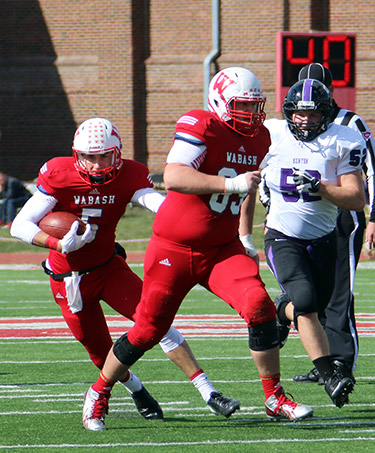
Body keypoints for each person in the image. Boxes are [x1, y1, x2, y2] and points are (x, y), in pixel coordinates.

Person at [82, 67, 314, 431]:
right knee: (147, 330)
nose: (251, 115)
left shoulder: (261, 137)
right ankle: (99, 392)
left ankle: (274, 397)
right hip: (174, 248)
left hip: (222, 247)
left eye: (255, 107)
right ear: (220, 103)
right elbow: (173, 175)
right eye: (241, 106)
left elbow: (246, 189)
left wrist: (246, 237)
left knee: (260, 306)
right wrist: (229, 182)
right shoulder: (200, 124)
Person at [11, 117, 241, 431]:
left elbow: (158, 204)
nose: (95, 164)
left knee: (158, 324)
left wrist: (193, 214)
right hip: (69, 280)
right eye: (88, 156)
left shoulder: (130, 174)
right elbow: (20, 225)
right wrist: (57, 243)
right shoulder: (60, 174)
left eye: (103, 155)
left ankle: (209, 392)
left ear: (117, 153)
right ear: (76, 154)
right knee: (101, 354)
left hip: (108, 269)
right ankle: (137, 389)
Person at [260, 78, 366, 408]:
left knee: (316, 309)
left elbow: (355, 197)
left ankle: (279, 311)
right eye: (299, 113)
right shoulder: (271, 133)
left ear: (327, 113)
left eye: (314, 114)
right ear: (288, 112)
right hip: (281, 235)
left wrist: (322, 188)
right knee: (305, 302)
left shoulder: (343, 138)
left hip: (323, 239)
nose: (305, 120)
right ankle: (330, 375)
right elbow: (244, 173)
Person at [288, 63, 375, 385]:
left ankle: (342, 363)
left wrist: (374, 217)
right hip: (305, 218)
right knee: (314, 291)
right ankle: (323, 359)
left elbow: (372, 168)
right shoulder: (291, 124)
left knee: (340, 294)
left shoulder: (349, 123)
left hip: (343, 215)